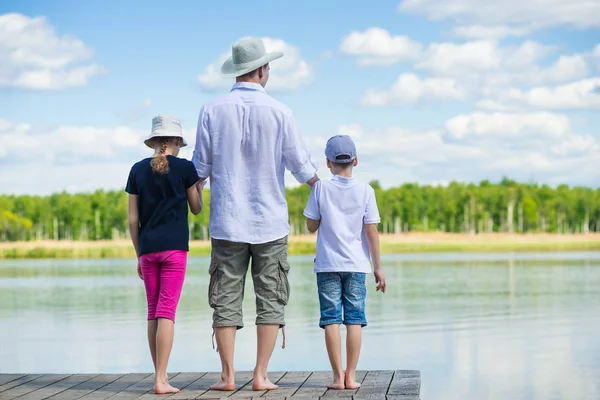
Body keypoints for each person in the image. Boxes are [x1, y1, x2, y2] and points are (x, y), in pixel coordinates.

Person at [192, 37, 319, 391]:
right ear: (261, 70)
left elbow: (199, 168)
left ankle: (227, 376)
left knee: (225, 298)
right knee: (271, 296)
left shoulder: (211, 110)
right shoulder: (281, 112)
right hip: (270, 223)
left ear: (237, 71)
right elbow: (300, 164)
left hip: (227, 221)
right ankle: (261, 375)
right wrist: (322, 188)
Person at [126, 115, 205, 394]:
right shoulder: (185, 168)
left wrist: (138, 254)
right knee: (166, 312)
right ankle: (161, 380)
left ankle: (158, 376)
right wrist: (198, 187)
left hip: (147, 250)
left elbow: (133, 220)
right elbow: (196, 209)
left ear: (155, 141)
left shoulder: (136, 170)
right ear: (175, 141)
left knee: (153, 311)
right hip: (174, 250)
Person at [303, 135, 387, 390]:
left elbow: (310, 226)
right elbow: (371, 231)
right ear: (356, 161)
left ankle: (336, 377)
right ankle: (351, 376)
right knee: (354, 319)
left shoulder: (320, 188)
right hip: (357, 266)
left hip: (327, 265)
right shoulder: (366, 190)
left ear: (328, 163)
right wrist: (378, 267)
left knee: (330, 319)